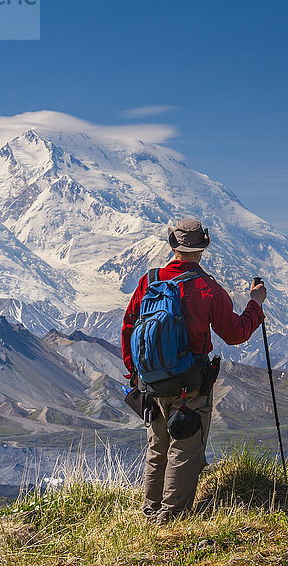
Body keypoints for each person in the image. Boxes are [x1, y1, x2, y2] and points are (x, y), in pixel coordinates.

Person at [121, 219, 266, 524]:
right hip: (190, 386)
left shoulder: (149, 281)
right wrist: (255, 305)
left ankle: (150, 511)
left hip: (151, 384)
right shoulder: (207, 288)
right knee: (184, 448)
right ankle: (171, 517)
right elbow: (236, 333)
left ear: (173, 245)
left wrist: (136, 374)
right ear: (202, 248)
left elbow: (129, 327)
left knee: (157, 446)